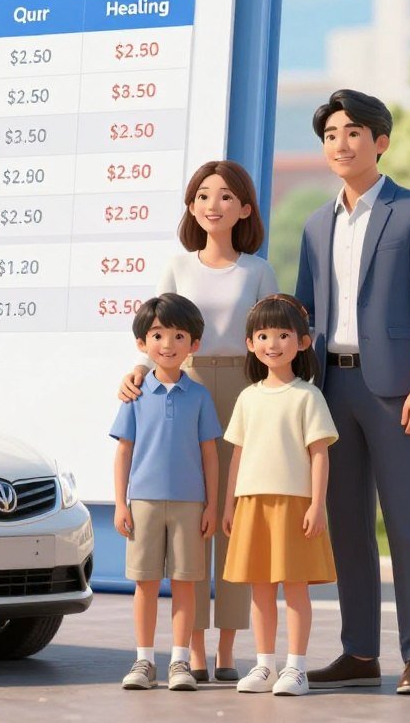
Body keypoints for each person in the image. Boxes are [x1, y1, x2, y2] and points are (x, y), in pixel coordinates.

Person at [296, 89, 410, 696]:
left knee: (408, 524)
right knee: (346, 526)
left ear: (381, 141)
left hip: (396, 392)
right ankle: (359, 652)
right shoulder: (316, 224)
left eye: (353, 133)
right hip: (331, 387)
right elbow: (302, 314)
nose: (341, 143)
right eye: (331, 134)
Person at [118, 160, 277, 681]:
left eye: (227, 196)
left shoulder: (258, 270)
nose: (214, 204)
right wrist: (138, 372)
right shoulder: (177, 266)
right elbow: (158, 327)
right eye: (204, 195)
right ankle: (194, 650)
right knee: (193, 519)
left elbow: (269, 339)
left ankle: (230, 647)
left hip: (244, 389)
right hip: (184, 385)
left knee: (231, 517)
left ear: (245, 209)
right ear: (191, 206)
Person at [222, 294, 338, 697]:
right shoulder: (248, 397)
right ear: (251, 343)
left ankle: (296, 668)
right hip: (253, 503)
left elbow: (319, 454)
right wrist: (229, 504)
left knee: (295, 588)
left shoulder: (308, 397)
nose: (273, 343)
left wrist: (317, 504)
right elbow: (237, 456)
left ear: (302, 342)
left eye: (283, 334)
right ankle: (264, 665)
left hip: (295, 503)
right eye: (263, 335)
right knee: (259, 588)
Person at [110, 293, 222, 692]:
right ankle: (143, 660)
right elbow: (124, 451)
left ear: (194, 345)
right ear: (143, 343)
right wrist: (122, 502)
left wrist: (213, 504)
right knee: (144, 582)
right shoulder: (135, 395)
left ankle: (179, 661)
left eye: (179, 336)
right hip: (143, 503)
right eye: (158, 335)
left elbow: (210, 454)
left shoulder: (200, 396)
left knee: (186, 582)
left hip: (191, 505)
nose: (168, 345)